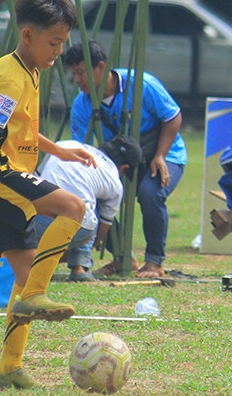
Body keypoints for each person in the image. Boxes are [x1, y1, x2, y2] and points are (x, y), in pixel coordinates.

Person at [0, 0, 94, 390]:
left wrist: (61, 151)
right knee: (73, 207)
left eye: (63, 43)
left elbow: (25, 130)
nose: (58, 51)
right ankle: (36, 296)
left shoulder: (30, 70)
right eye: (53, 42)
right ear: (27, 35)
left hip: (5, 173)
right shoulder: (9, 79)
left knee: (24, 277)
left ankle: (9, 369)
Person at [65, 40, 187, 279]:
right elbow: (83, 149)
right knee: (97, 199)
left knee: (150, 193)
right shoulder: (81, 105)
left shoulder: (143, 84)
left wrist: (161, 156)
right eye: (74, 74)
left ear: (101, 67)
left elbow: (173, 117)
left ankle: (154, 262)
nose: (77, 80)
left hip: (163, 153)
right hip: (119, 163)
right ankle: (123, 257)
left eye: (81, 73)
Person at [31, 135, 141, 282]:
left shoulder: (65, 144)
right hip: (77, 229)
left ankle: (33, 258)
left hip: (34, 219)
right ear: (124, 168)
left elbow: (34, 178)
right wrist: (90, 244)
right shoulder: (115, 182)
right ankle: (79, 267)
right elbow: (103, 227)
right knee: (90, 206)